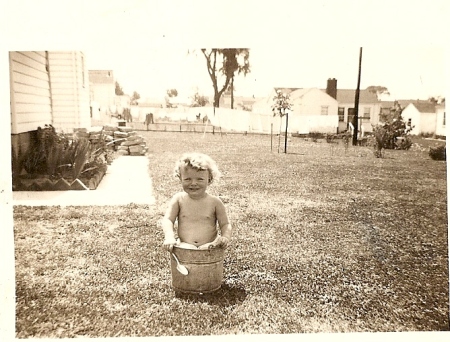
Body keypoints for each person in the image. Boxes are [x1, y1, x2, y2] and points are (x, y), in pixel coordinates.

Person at [161, 152, 232, 251]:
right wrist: (169, 237)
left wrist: (225, 237)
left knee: (210, 259)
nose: (193, 183)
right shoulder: (178, 200)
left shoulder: (215, 202)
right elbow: (168, 220)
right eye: (187, 179)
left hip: (210, 247)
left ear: (209, 179)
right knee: (184, 258)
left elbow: (225, 224)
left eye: (200, 179)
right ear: (180, 178)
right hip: (184, 247)